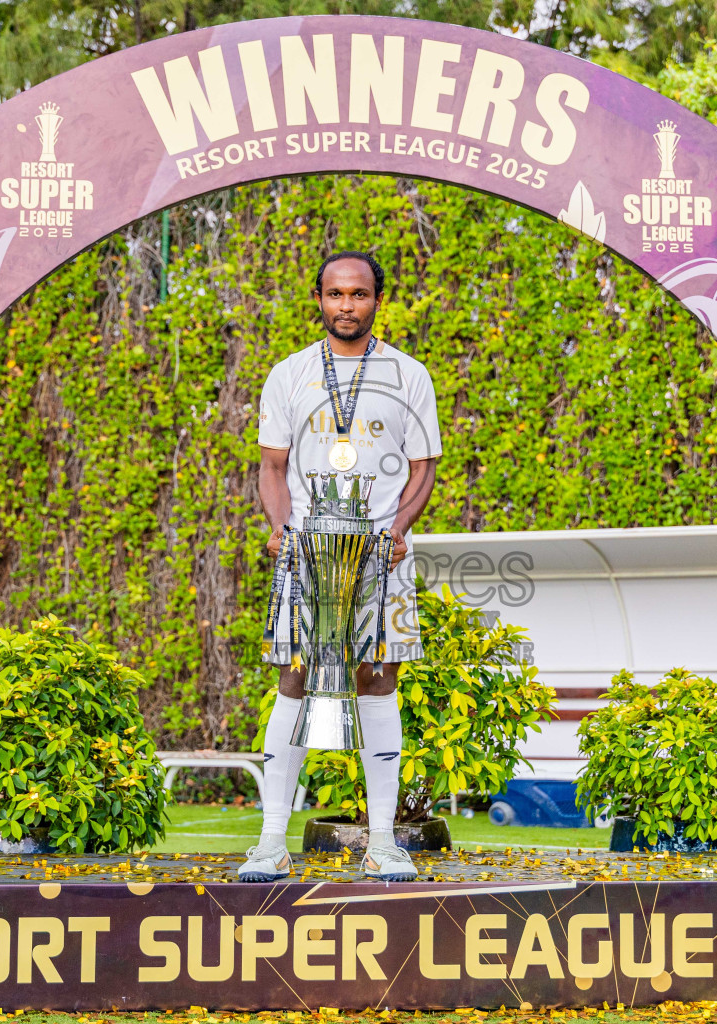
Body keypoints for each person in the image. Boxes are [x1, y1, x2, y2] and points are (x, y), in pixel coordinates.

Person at [241, 250, 441, 883]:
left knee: (378, 680)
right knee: (294, 681)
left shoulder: (409, 374)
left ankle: (383, 840)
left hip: (381, 557)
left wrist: (398, 529)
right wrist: (278, 530)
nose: (346, 305)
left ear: (377, 299)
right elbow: (272, 468)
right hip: (304, 556)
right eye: (334, 294)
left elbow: (423, 467)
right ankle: (271, 841)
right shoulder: (289, 374)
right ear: (319, 299)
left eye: (358, 294)